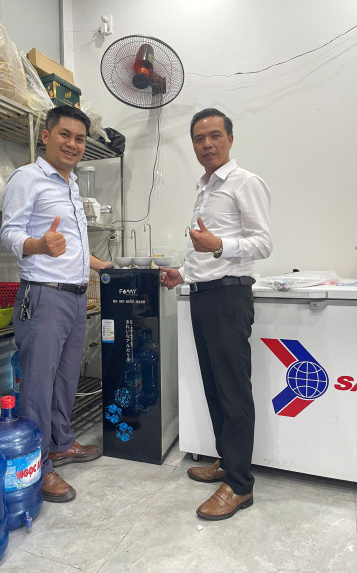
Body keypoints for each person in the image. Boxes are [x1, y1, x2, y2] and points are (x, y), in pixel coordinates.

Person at [161, 108, 272, 520]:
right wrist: (184, 272)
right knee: (214, 386)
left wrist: (220, 245)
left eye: (214, 135)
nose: (206, 144)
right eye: (198, 138)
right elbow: (204, 251)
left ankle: (240, 485)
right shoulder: (204, 188)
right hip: (203, 294)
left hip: (229, 296)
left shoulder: (245, 182)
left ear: (230, 138)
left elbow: (263, 243)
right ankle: (227, 460)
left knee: (233, 390)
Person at [1, 105, 113, 503]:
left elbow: (71, 245)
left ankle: (61, 442)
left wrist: (99, 265)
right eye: (65, 135)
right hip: (44, 296)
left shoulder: (70, 184)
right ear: (46, 136)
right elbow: (10, 232)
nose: (73, 144)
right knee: (37, 384)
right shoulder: (27, 178)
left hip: (76, 296)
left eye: (80, 139)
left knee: (66, 378)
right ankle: (37, 468)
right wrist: (38, 245)